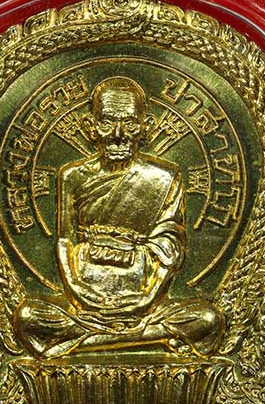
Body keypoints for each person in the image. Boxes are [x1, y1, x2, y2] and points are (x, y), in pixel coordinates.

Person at [15, 77, 225, 358]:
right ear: (91, 127)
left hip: (145, 297)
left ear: (146, 127)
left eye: (130, 124)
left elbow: (170, 245)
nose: (118, 134)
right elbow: (65, 240)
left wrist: (147, 299)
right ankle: (142, 339)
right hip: (84, 297)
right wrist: (76, 291)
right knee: (28, 317)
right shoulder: (72, 176)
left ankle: (89, 342)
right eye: (106, 123)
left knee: (208, 319)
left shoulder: (165, 178)